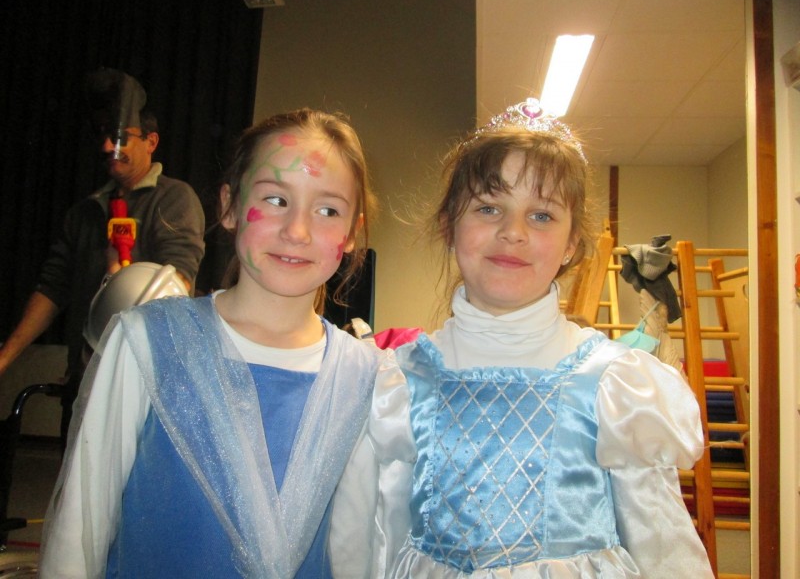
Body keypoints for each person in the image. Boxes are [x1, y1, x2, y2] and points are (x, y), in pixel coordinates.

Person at [334, 98, 714, 577]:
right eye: (488, 208)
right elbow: (366, 541)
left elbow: (664, 548)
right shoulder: (400, 382)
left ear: (572, 242)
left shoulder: (615, 385)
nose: (513, 232)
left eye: (541, 216)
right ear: (450, 226)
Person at [39, 108, 383, 577]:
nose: (297, 231)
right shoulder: (147, 343)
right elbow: (80, 527)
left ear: (351, 233)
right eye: (276, 199)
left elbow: (354, 551)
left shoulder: (363, 375)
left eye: (327, 210)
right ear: (229, 206)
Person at [0, 69, 205, 442]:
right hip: (84, 384)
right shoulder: (84, 212)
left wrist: (117, 276)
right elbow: (52, 289)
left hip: (146, 387)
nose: (108, 147)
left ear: (151, 141)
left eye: (121, 137)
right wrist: (5, 358)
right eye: (104, 136)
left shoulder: (175, 199)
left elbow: (176, 286)